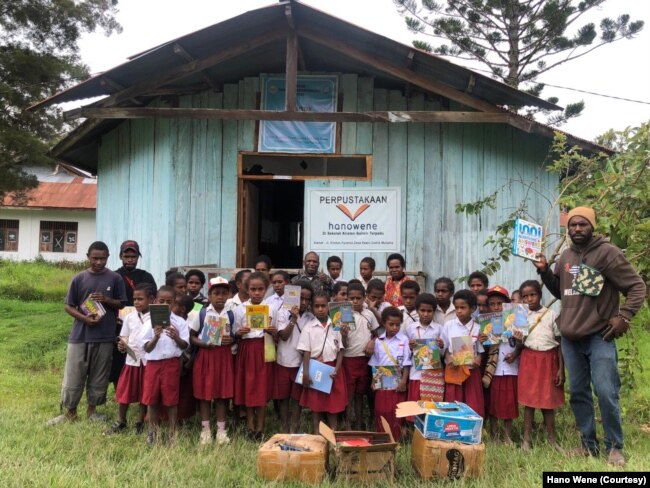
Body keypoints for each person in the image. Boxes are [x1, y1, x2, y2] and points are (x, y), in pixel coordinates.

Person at [534, 206, 646, 467]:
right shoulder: (566, 256)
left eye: (582, 224)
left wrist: (625, 315)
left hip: (599, 336)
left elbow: (637, 286)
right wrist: (544, 272)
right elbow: (562, 292)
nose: (577, 229)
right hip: (571, 338)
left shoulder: (608, 253)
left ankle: (615, 447)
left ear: (592, 226)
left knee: (606, 392)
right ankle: (588, 444)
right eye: (572, 225)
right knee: (579, 394)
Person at [47, 241, 127, 426]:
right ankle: (69, 412)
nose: (99, 262)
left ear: (108, 257)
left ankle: (93, 411)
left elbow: (122, 303)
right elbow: (69, 306)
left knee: (99, 374)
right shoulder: (79, 278)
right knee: (74, 373)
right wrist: (84, 319)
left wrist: (107, 300)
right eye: (95, 258)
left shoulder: (115, 278)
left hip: (105, 336)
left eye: (103, 258)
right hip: (80, 335)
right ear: (88, 257)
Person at [515, 280, 564, 452]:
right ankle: (526, 440)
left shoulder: (551, 315)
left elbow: (559, 343)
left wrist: (561, 368)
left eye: (533, 295)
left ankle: (552, 439)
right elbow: (518, 343)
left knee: (547, 401)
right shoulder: (520, 316)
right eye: (525, 296)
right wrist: (516, 337)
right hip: (529, 359)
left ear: (540, 295)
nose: (529, 299)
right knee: (529, 401)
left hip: (548, 360)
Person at [141, 286, 189, 446]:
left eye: (169, 302)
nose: (165, 304)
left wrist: (176, 337)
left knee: (171, 400)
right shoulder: (149, 323)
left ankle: (172, 433)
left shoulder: (180, 323)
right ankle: (152, 432)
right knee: (152, 399)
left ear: (174, 303)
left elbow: (184, 346)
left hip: (171, 364)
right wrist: (155, 336)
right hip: (153, 365)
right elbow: (146, 348)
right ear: (155, 301)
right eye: (162, 301)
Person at [190, 277, 235, 446]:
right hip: (206, 357)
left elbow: (236, 335)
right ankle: (206, 430)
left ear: (229, 295)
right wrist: (203, 343)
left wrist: (232, 340)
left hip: (224, 358)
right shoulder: (201, 313)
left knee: (222, 396)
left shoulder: (231, 314)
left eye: (224, 293)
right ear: (209, 295)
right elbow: (192, 336)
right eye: (216, 293)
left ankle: (222, 431)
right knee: (205, 395)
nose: (220, 297)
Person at [233, 271, 278, 441]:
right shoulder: (240, 309)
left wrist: (273, 332)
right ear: (247, 290)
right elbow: (236, 332)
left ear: (266, 289)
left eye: (260, 289)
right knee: (249, 387)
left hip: (265, 347)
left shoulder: (272, 307)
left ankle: (260, 428)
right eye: (253, 289)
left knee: (262, 387)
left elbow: (276, 335)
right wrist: (239, 332)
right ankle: (249, 427)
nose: (257, 293)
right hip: (247, 350)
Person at [104, 283, 154, 435]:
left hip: (147, 361)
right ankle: (121, 420)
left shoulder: (156, 317)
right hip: (131, 361)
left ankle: (140, 421)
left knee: (145, 393)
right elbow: (124, 336)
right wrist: (122, 345)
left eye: (141, 299)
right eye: (135, 299)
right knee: (124, 391)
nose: (137, 302)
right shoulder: (129, 317)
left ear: (151, 299)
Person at [298, 292, 348, 433]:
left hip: (332, 369)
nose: (320, 309)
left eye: (323, 306)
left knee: (333, 407)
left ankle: (332, 434)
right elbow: (306, 352)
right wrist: (306, 373)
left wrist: (336, 370)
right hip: (315, 370)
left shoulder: (337, 325)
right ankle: (317, 435)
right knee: (316, 407)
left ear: (329, 306)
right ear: (312, 308)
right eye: (316, 306)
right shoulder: (309, 327)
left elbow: (341, 350)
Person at [111, 240, 157, 391]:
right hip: (119, 324)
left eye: (133, 256)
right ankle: (121, 390)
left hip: (144, 324)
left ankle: (142, 391)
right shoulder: (114, 276)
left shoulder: (146, 277)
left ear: (138, 257)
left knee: (142, 355)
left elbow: (154, 299)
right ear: (120, 256)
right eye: (126, 256)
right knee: (119, 357)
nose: (130, 259)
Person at [481, 286, 518, 444]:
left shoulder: (516, 320)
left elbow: (522, 343)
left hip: (511, 368)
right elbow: (484, 347)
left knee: (509, 402)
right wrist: (482, 340)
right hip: (494, 369)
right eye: (492, 304)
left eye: (500, 304)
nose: (496, 307)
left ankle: (507, 436)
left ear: (508, 304)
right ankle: (495, 434)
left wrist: (518, 343)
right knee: (494, 402)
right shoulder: (486, 323)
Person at [275, 281, 313, 433]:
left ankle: (294, 427)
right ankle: (284, 426)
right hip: (284, 361)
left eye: (307, 299)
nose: (303, 302)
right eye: (300, 298)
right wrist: (293, 319)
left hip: (301, 363)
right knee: (283, 398)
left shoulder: (311, 317)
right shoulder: (283, 312)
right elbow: (283, 336)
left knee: (297, 398)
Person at [369, 307, 411, 441]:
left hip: (398, 381)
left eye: (397, 324)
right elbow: (375, 362)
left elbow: (406, 362)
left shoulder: (404, 340)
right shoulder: (379, 341)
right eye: (391, 324)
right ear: (384, 323)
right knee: (381, 409)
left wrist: (404, 381)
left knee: (396, 411)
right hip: (381, 381)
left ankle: (396, 438)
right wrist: (373, 381)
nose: (394, 327)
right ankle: (382, 437)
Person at [341, 283, 380, 430]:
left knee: (360, 393)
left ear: (364, 298)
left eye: (358, 298)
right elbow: (342, 343)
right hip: (349, 358)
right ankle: (347, 424)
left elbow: (377, 334)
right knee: (349, 393)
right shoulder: (344, 313)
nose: (355, 301)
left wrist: (372, 341)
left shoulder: (369, 313)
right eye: (351, 298)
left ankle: (358, 423)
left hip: (365, 359)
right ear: (347, 298)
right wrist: (343, 334)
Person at [442, 290, 484, 418]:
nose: (459, 311)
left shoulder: (478, 327)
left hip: (471, 372)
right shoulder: (449, 325)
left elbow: (480, 351)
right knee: (453, 404)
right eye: (456, 308)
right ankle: (452, 430)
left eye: (463, 307)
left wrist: (478, 359)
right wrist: (449, 358)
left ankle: (472, 432)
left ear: (472, 308)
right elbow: (443, 348)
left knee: (473, 403)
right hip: (454, 370)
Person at [405, 293, 445, 405]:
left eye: (429, 311)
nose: (426, 314)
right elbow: (405, 353)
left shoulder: (439, 329)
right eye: (422, 310)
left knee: (431, 404)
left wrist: (441, 346)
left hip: (433, 373)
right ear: (417, 310)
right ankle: (413, 423)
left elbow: (443, 354)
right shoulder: (410, 329)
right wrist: (409, 346)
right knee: (416, 403)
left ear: (434, 311)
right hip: (416, 372)